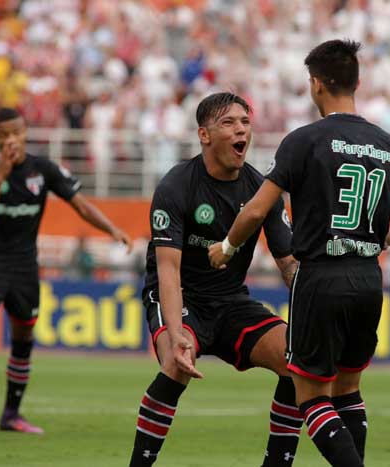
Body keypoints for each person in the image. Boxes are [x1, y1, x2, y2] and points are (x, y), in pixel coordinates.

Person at [209, 40, 390, 467]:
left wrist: (227, 246)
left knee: (311, 397)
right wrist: (378, 241)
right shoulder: (388, 145)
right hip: (368, 279)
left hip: (321, 277)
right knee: (349, 391)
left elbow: (256, 209)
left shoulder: (304, 140)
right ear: (356, 82)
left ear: (316, 84)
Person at [128, 92, 301, 467]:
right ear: (204, 135)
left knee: (298, 360)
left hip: (231, 301)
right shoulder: (176, 185)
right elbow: (168, 271)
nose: (241, 130)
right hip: (179, 297)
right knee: (177, 363)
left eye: (245, 122)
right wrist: (176, 335)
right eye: (229, 123)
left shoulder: (263, 191)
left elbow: (288, 262)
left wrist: (315, 308)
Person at [0, 107, 132, 435]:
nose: (11, 139)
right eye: (4, 136)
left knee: (24, 336)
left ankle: (11, 415)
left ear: (25, 131)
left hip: (26, 267)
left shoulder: (42, 169)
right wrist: (0, 176)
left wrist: (113, 229)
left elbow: (80, 204)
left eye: (17, 132)